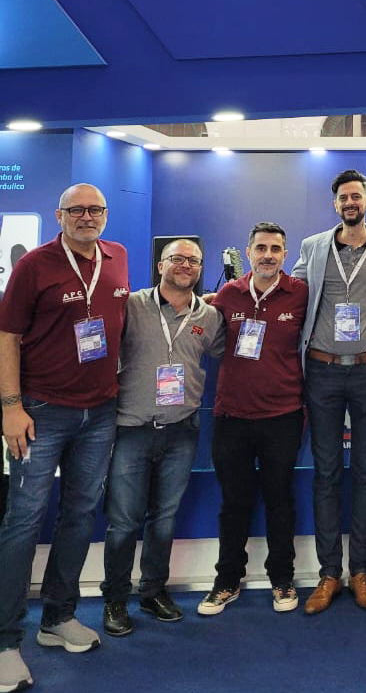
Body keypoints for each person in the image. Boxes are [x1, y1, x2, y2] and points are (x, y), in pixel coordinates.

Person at [0, 184, 128, 692]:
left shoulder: (117, 257)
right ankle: (5, 641)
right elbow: (7, 336)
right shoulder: (35, 265)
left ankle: (57, 617)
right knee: (23, 519)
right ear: (59, 216)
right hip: (41, 411)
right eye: (76, 210)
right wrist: (10, 407)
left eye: (95, 209)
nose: (86, 217)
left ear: (105, 215)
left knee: (79, 514)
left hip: (100, 411)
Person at [291, 169, 366, 614]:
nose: (350, 203)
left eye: (356, 197)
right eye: (343, 197)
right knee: (326, 473)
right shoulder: (313, 246)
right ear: (335, 204)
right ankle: (329, 573)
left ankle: (361, 571)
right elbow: (292, 292)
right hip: (322, 372)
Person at [100, 239, 224, 636]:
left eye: (193, 260)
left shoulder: (210, 316)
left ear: (200, 268)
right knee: (123, 522)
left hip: (181, 431)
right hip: (132, 429)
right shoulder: (131, 305)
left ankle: (152, 592)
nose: (185, 265)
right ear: (160, 266)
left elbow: (227, 354)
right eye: (177, 259)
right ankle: (115, 599)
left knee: (164, 520)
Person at [197, 222, 308, 616]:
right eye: (261, 248)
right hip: (233, 416)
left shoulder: (300, 293)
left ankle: (282, 578)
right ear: (248, 253)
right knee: (234, 503)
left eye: (276, 249)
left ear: (285, 254)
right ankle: (227, 581)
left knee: (280, 501)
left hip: (283, 416)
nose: (268, 255)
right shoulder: (228, 294)